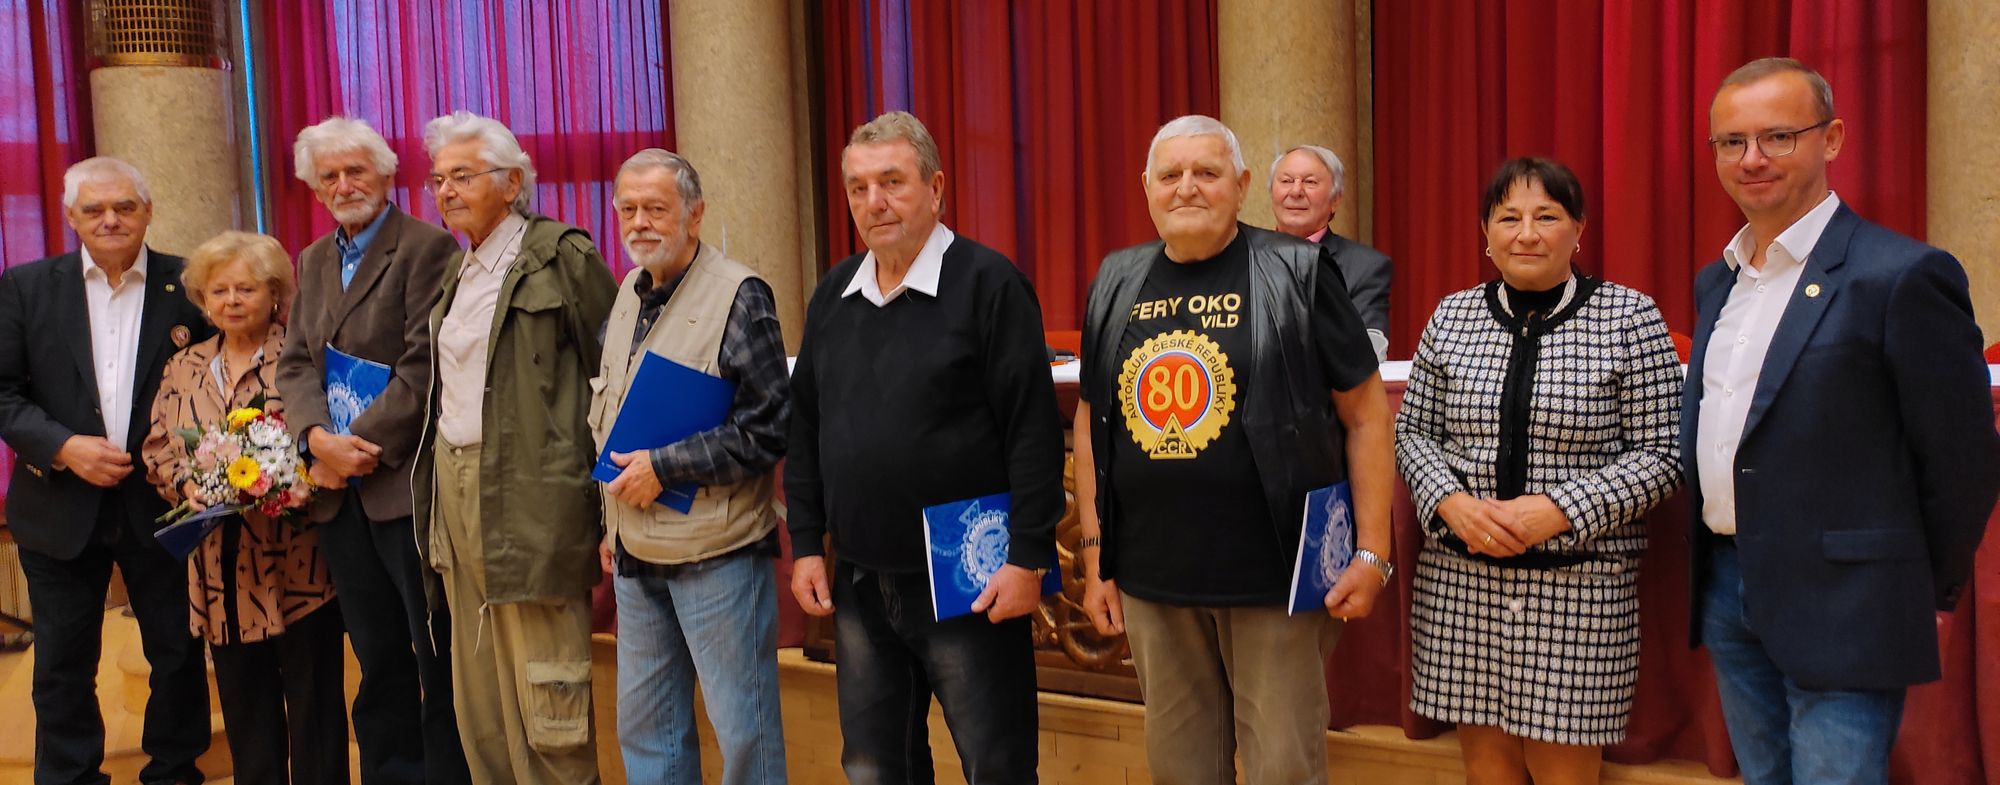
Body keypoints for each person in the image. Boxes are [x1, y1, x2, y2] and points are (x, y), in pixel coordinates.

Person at [1686, 57, 2000, 785]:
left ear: (1831, 139)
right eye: (1732, 142)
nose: (1752, 158)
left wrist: (1914, 587)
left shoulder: (1901, 275)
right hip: (1729, 587)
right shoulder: (1717, 282)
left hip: (1849, 602)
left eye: (1778, 136)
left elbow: (1962, 460)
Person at [1071, 114, 1395, 785]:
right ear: (1147, 187)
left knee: (1283, 770)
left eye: (1207, 172)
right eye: (1171, 174)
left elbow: (1367, 415)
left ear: (1242, 185)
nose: (1187, 187)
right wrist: (1097, 551)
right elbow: (1090, 416)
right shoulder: (1115, 278)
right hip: (1155, 582)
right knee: (1181, 771)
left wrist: (1372, 551)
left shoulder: (1302, 272)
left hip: (1275, 579)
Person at [786, 110, 1064, 785]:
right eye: (858, 188)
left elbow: (1032, 431)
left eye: (892, 182)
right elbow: (806, 429)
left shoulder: (989, 284)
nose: (874, 202)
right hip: (860, 577)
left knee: (995, 766)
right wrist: (806, 543)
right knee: (875, 767)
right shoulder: (833, 296)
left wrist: (1029, 556)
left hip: (970, 577)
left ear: (936, 188)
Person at [1396, 157, 1684, 785]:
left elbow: (1664, 454)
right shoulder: (1452, 316)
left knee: (1563, 773)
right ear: (1486, 233)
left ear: (1578, 229)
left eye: (1547, 217)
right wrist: (1450, 502)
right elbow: (1413, 432)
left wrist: (1558, 510)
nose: (1526, 234)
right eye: (1509, 218)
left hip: (1579, 587)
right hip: (1461, 581)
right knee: (1488, 771)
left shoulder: (1630, 317)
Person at [411, 110, 617, 785]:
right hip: (456, 485)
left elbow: (614, 373)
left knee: (545, 690)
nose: (445, 190)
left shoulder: (562, 255)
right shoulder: (459, 269)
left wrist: (604, 504)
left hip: (534, 492)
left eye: (462, 176)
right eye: (438, 179)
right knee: (480, 696)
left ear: (512, 181)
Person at [0, 156, 212, 785]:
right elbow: (4, 392)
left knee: (176, 652)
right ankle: (70, 776)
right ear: (71, 216)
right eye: (93, 209)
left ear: (147, 211)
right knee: (63, 663)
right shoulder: (25, 286)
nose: (110, 219)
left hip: (165, 505)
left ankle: (174, 771)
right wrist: (64, 446)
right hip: (58, 505)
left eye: (124, 206)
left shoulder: (190, 284)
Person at [275, 115, 470, 785]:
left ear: (387, 175)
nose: (343, 184)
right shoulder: (311, 259)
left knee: (434, 653)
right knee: (376, 654)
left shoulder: (427, 248)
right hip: (337, 494)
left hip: (402, 487)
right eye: (328, 175)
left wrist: (358, 445)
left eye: (355, 170)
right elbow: (295, 363)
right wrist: (315, 440)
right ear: (314, 187)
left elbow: (424, 366)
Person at [592, 148, 791, 784]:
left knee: (744, 738)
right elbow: (611, 415)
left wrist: (666, 467)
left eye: (656, 208)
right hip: (634, 554)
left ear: (695, 214)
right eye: (628, 209)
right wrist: (609, 525)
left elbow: (770, 428)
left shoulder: (741, 296)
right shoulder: (627, 293)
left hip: (718, 557)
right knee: (649, 738)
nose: (640, 222)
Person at [142, 231, 346, 785]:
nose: (231, 301)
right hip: (219, 572)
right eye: (219, 291)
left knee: (315, 712)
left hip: (298, 565)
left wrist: (293, 481)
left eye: (246, 289)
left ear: (275, 294)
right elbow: (158, 447)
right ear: (203, 300)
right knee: (246, 715)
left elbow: (329, 439)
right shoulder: (184, 365)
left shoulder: (302, 357)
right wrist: (186, 484)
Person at [1268, 144, 1393, 352]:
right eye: (1286, 181)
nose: (1296, 191)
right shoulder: (1244, 257)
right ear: (1272, 194)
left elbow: (1365, 351)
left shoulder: (1365, 267)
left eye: (1309, 182)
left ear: (1335, 200)